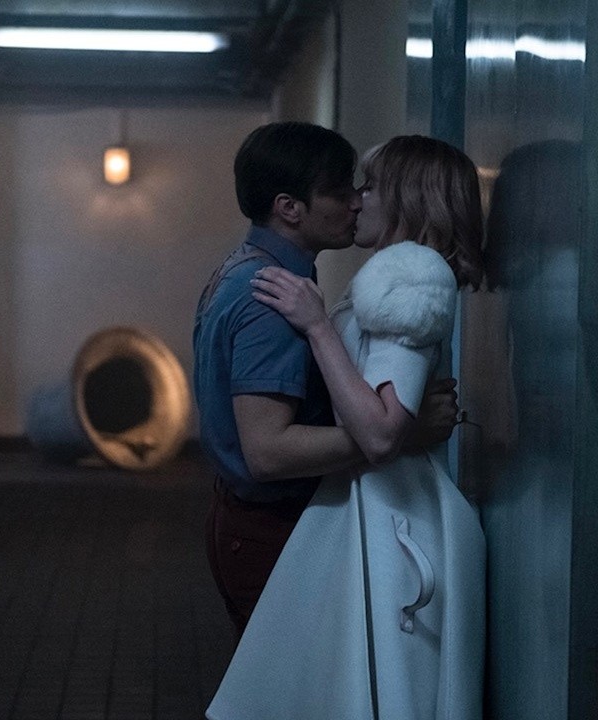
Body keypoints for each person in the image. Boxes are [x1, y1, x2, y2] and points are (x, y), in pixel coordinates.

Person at [206, 135, 488, 720]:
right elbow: (367, 436)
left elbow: (380, 430)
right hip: (332, 515)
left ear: (409, 199)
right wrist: (408, 431)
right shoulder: (287, 288)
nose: (358, 200)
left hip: (379, 521)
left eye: (370, 186)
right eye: (348, 189)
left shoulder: (407, 276)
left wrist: (319, 328)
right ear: (289, 208)